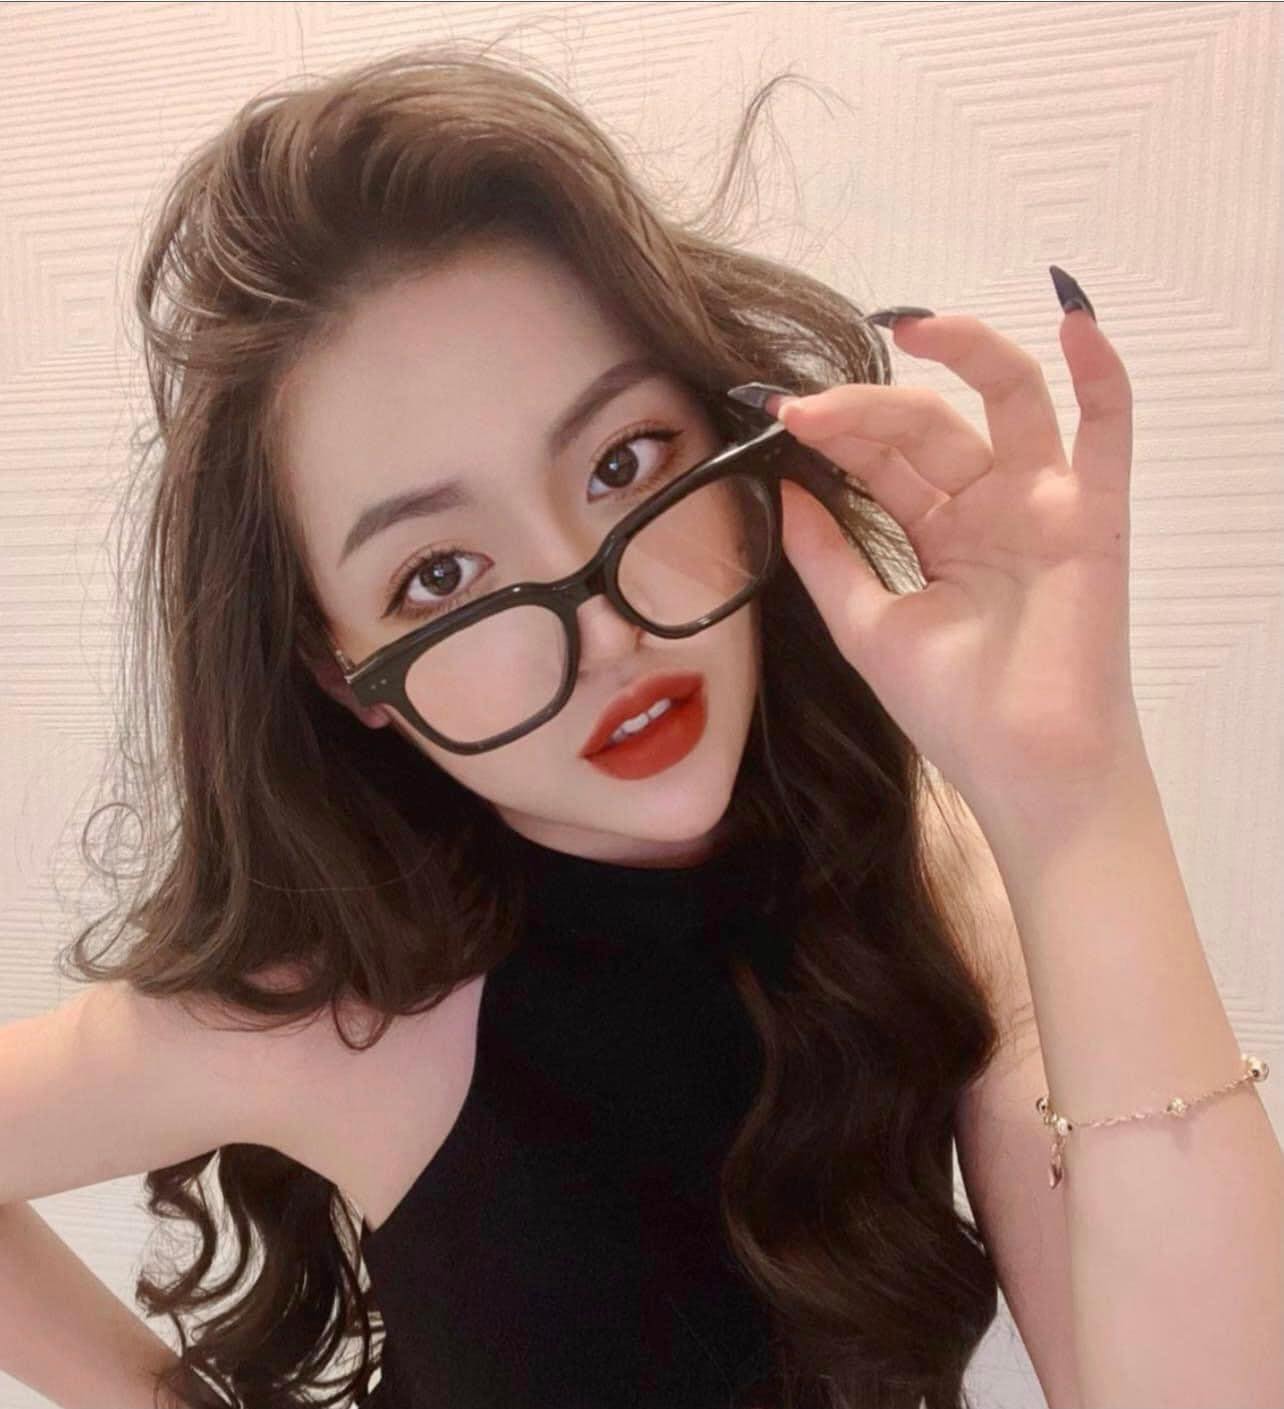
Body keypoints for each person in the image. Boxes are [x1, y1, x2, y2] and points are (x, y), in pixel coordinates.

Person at [5, 43, 1021, 1409]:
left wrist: (1076, 797)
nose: (603, 628)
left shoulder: (909, 845)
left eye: (621, 463)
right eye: (440, 574)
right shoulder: (350, 1015)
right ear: (344, 672)